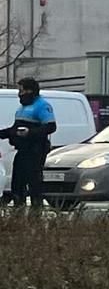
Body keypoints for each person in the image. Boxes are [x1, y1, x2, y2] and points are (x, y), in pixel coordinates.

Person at [0, 78, 57, 211]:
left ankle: (36, 213)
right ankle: (19, 211)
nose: (19, 94)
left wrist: (29, 132)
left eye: (22, 90)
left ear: (30, 91)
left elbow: (50, 127)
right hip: (23, 150)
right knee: (17, 183)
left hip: (36, 150)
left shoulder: (42, 105)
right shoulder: (22, 108)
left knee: (34, 183)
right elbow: (15, 129)